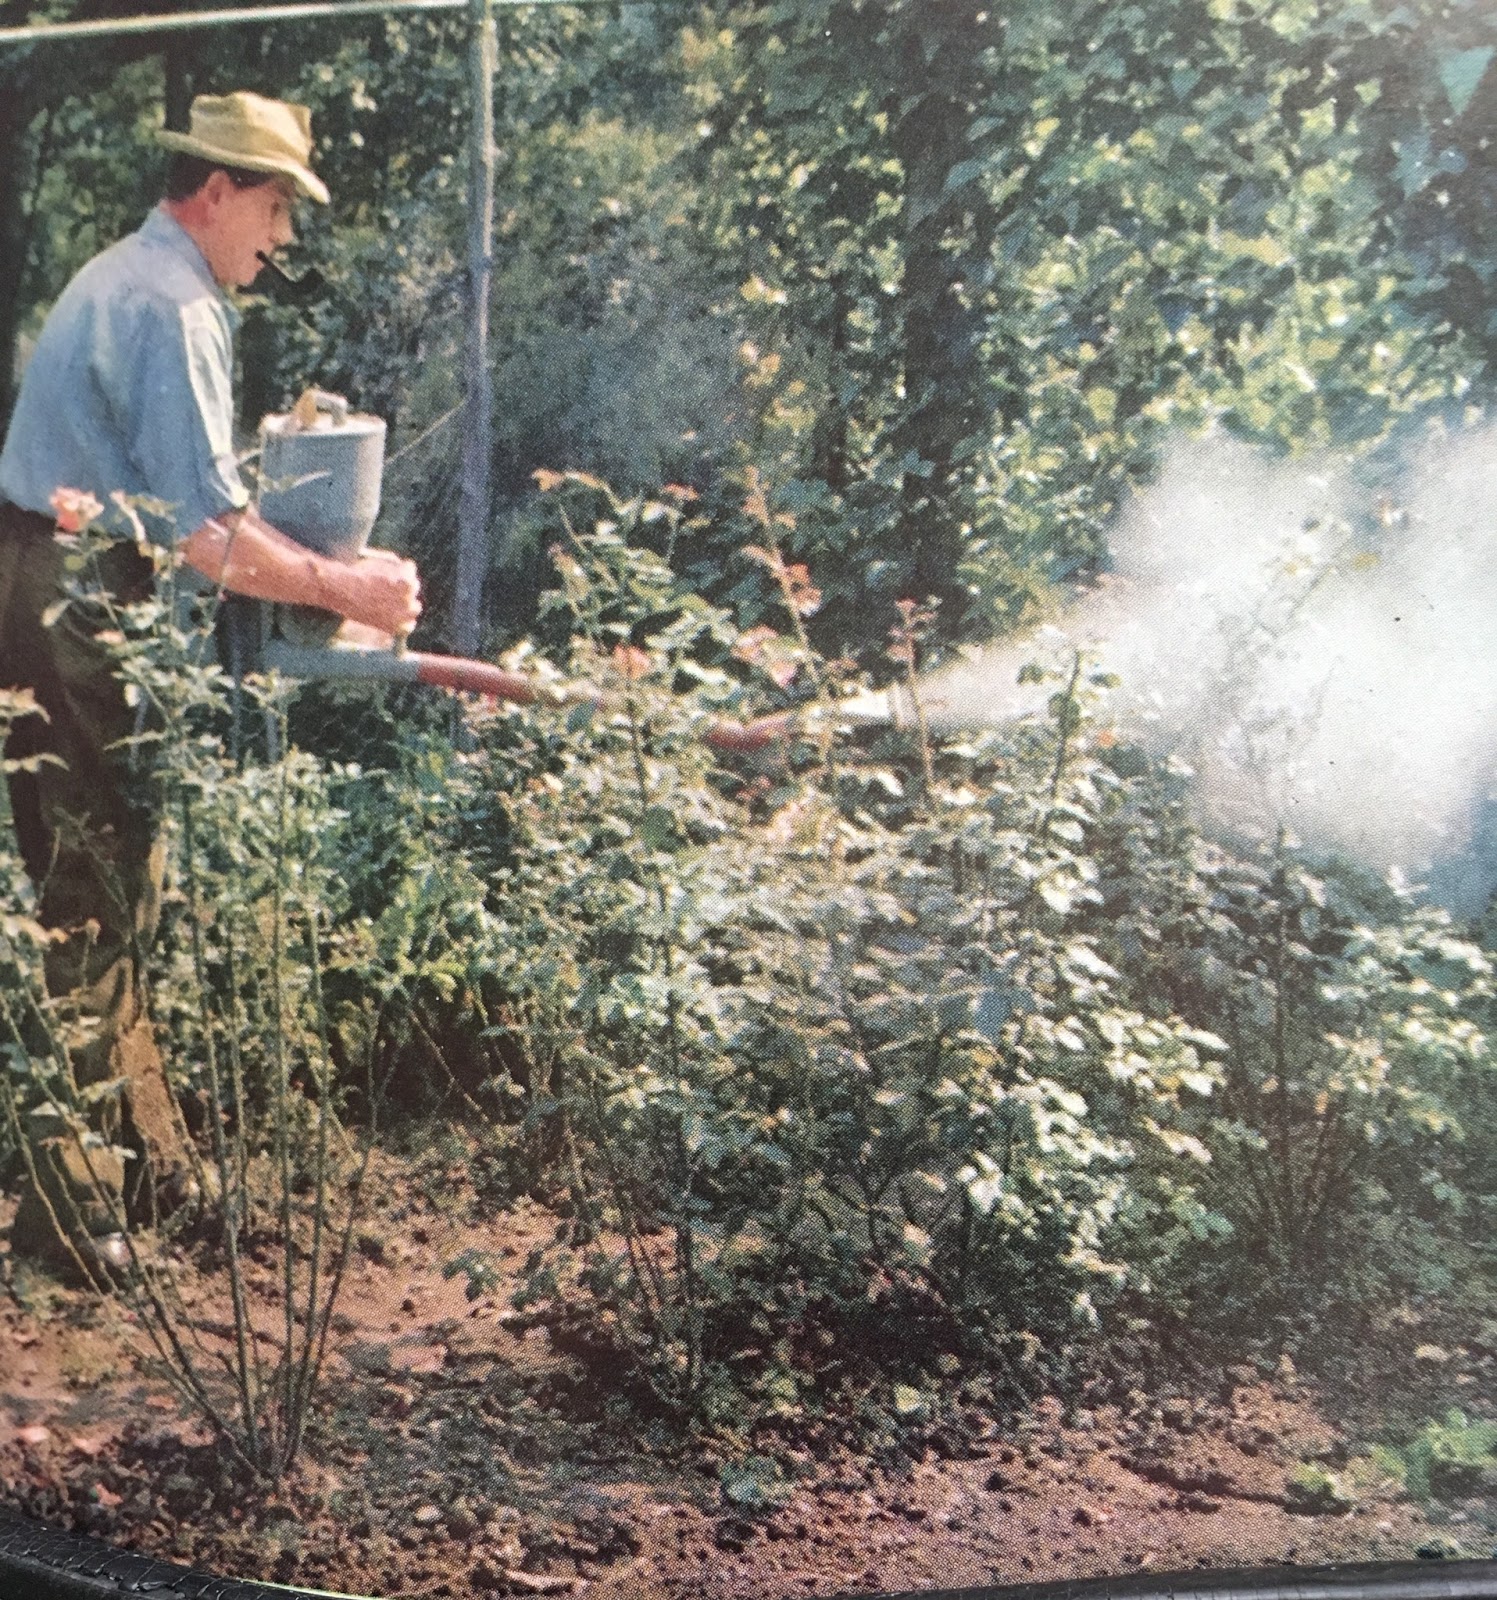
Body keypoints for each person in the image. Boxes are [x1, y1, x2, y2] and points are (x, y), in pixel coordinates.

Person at [0, 90, 421, 1267]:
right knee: (90, 887)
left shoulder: (130, 278)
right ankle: (73, 1218)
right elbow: (212, 539)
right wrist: (355, 592)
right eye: (276, 208)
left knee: (120, 875)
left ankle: (139, 1171)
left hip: (58, 584)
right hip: (72, 597)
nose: (280, 240)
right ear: (217, 191)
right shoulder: (175, 303)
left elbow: (193, 501)